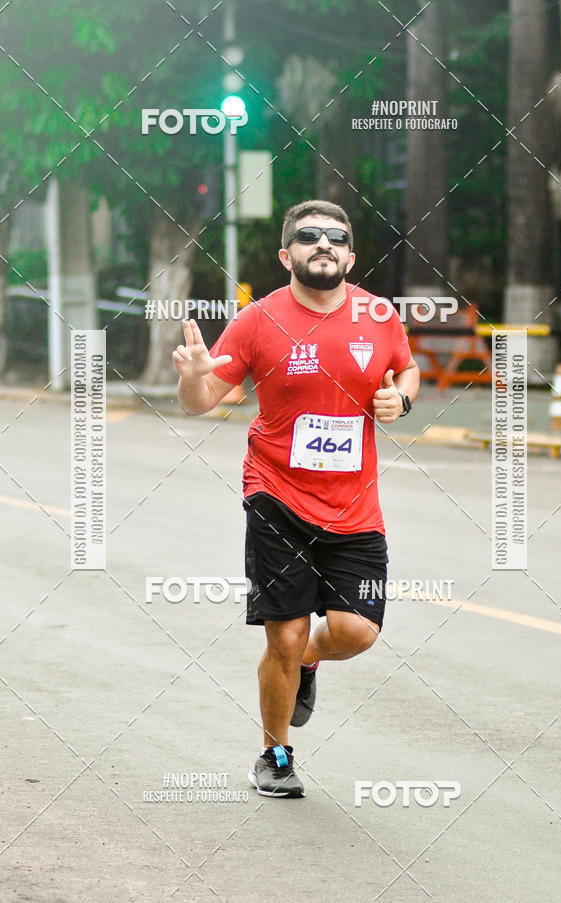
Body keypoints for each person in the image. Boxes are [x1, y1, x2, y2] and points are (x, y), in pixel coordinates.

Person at [173, 200, 420, 798]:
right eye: (309, 237)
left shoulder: (380, 316)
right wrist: (193, 372)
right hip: (276, 495)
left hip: (354, 506)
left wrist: (402, 401)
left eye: (337, 237)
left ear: (351, 256)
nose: (324, 245)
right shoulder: (258, 321)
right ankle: (274, 754)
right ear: (287, 255)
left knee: (358, 631)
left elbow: (406, 371)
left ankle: (308, 660)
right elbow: (202, 401)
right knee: (281, 635)